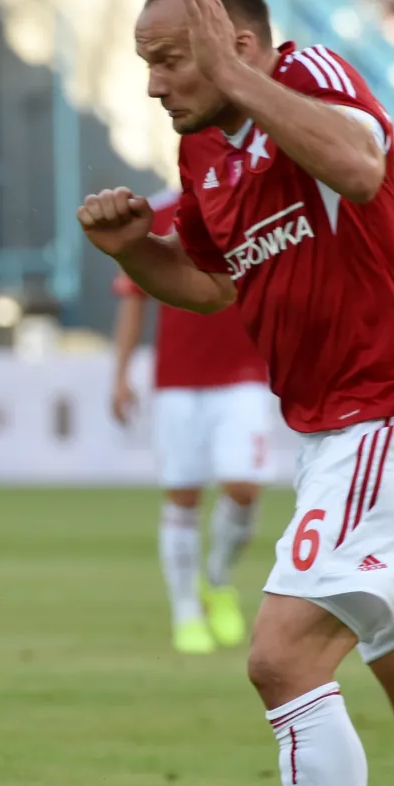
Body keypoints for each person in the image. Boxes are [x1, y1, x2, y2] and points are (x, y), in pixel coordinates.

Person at [79, 0, 394, 786]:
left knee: (282, 657)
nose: (154, 85)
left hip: (392, 416)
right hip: (341, 435)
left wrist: (242, 79)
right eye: (147, 64)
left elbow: (363, 167)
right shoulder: (202, 148)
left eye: (173, 58)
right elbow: (214, 285)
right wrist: (135, 250)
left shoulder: (305, 73)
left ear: (237, 43)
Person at [110, 188, 271, 654]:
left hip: (244, 372)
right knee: (183, 495)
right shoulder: (158, 211)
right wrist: (120, 373)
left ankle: (217, 580)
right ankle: (185, 611)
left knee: (244, 488)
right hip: (178, 379)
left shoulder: (252, 201)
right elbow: (134, 298)